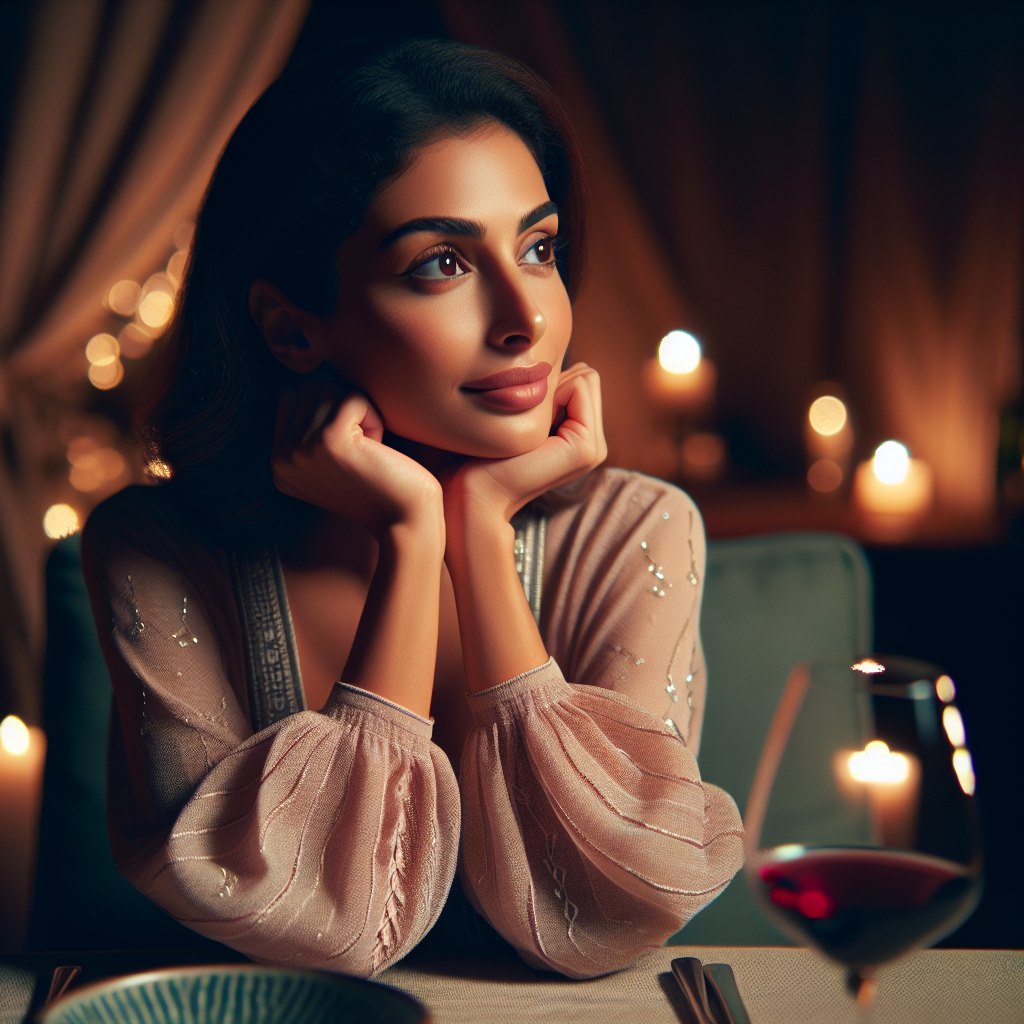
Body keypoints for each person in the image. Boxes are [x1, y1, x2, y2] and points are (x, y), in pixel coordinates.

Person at [82, 37, 743, 980]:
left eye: (539, 247)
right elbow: (322, 935)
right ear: (292, 328)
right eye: (442, 263)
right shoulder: (156, 549)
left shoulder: (642, 529)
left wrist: (475, 532)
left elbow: (611, 912)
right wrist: (409, 536)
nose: (527, 317)